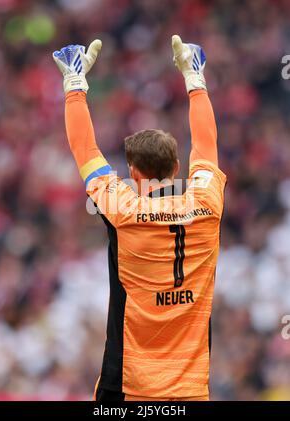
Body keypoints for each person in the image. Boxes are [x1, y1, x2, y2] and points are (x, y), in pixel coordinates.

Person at [53, 35, 226, 401]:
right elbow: (207, 145)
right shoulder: (208, 203)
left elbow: (85, 150)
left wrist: (75, 83)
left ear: (132, 173)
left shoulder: (124, 211)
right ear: (178, 168)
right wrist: (195, 79)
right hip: (190, 388)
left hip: (127, 383)